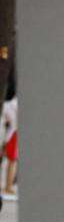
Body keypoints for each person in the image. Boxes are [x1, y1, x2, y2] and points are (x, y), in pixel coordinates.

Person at [1, 73, 17, 203]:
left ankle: (8, 187)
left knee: (11, 159)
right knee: (12, 159)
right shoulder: (13, 104)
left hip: (11, 133)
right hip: (12, 134)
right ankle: (8, 187)